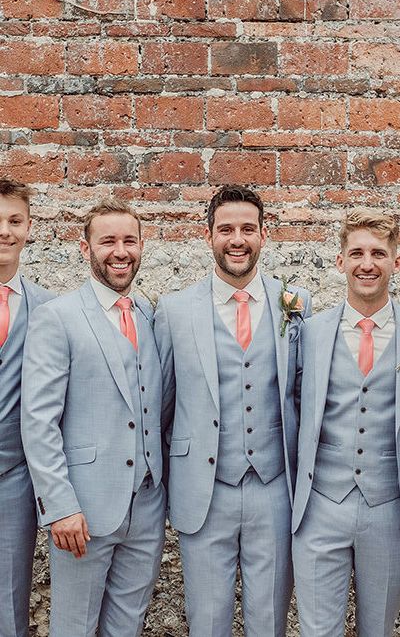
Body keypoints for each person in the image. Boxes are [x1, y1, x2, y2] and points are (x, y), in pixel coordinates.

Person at [154, 185, 311, 636]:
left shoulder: (296, 304)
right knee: (206, 621)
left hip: (274, 488)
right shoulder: (174, 310)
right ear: (208, 236)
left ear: (264, 235)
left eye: (247, 229)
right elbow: (161, 407)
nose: (237, 239)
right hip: (204, 490)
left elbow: (303, 395)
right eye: (226, 229)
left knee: (270, 621)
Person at [21, 199, 165, 637]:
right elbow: (39, 420)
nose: (120, 251)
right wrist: (60, 507)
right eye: (107, 241)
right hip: (81, 511)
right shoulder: (57, 318)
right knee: (73, 628)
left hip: (146, 505)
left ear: (141, 246)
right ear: (85, 249)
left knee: (128, 626)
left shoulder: (149, 315)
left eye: (129, 241)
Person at [292, 210, 400, 637]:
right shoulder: (310, 332)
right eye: (356, 253)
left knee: (379, 629)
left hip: (390, 508)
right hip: (321, 506)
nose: (367, 263)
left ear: (397, 261)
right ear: (340, 261)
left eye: (378, 253)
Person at [0, 180, 54, 637]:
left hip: (15, 477)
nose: (5, 231)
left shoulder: (49, 310)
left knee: (10, 602)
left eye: (14, 221)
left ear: (29, 227)